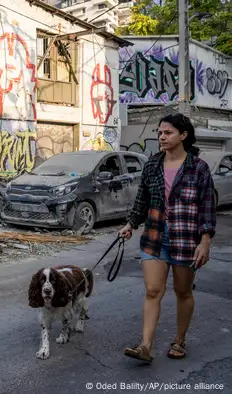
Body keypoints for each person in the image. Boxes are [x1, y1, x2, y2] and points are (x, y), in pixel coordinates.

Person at [119, 113, 216, 363]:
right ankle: (145, 346)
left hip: (186, 241)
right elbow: (142, 200)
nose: (162, 137)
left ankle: (179, 341)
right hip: (154, 237)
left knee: (183, 291)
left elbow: (206, 206)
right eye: (160, 132)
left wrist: (204, 241)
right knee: (152, 290)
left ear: (183, 135)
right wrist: (130, 224)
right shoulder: (152, 165)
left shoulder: (198, 168)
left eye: (168, 132)